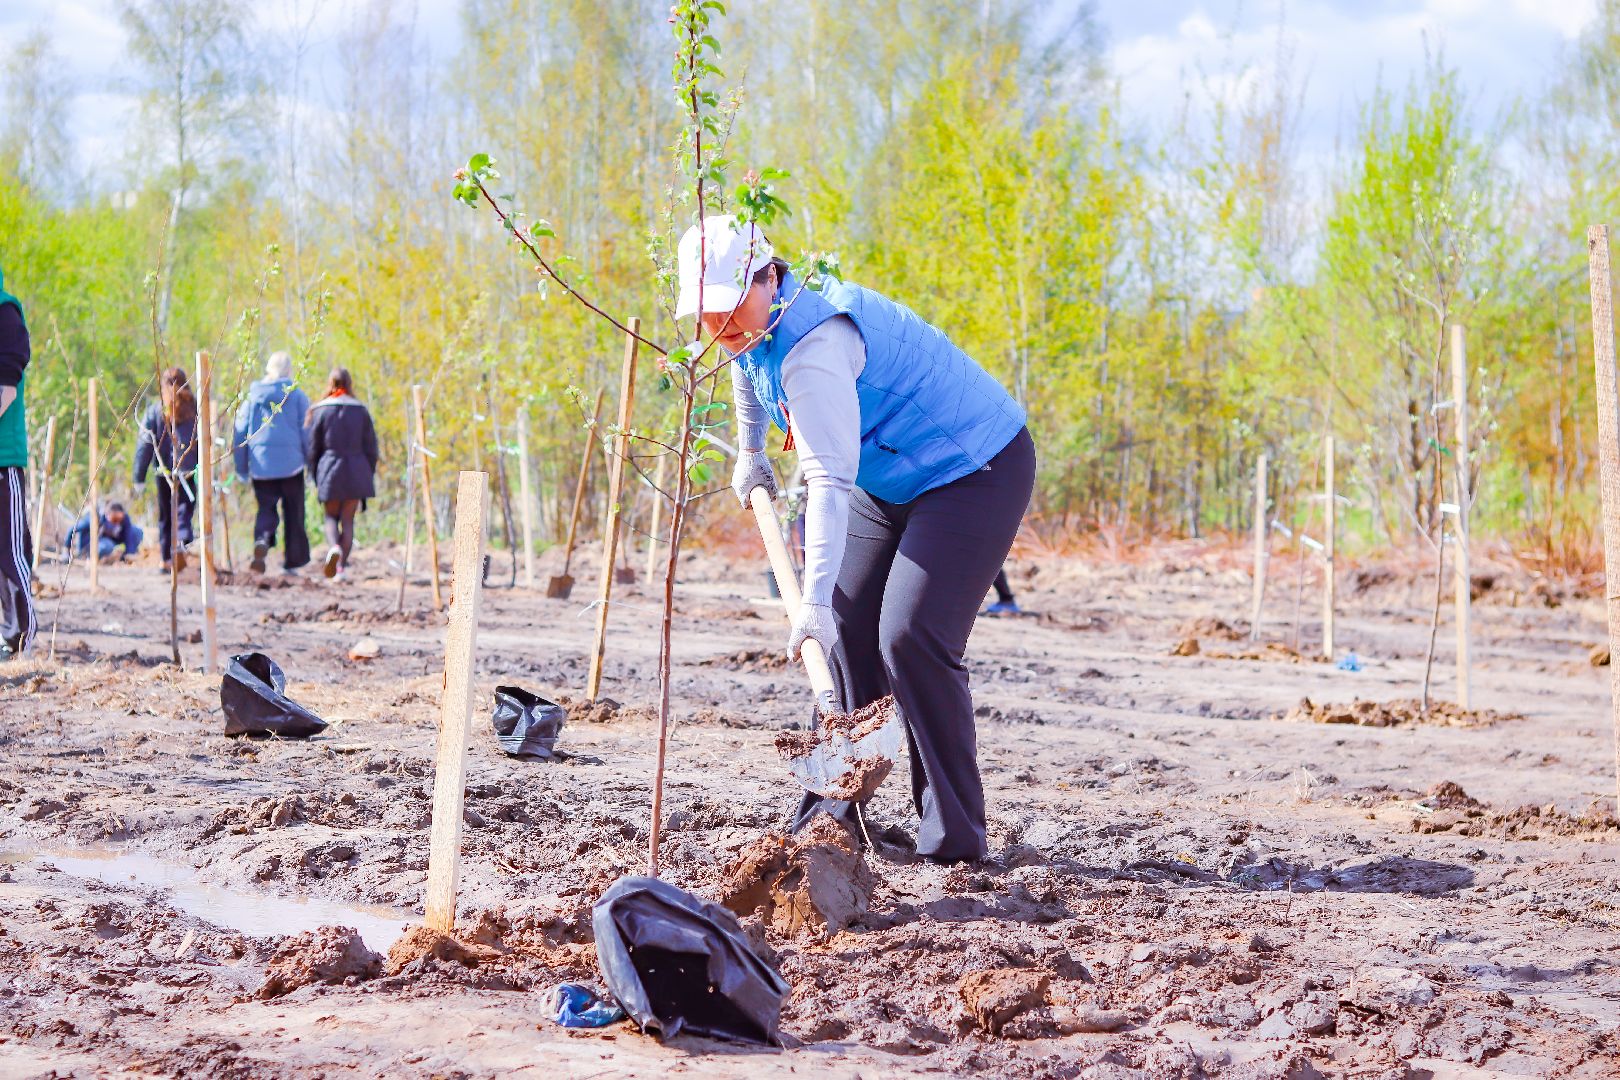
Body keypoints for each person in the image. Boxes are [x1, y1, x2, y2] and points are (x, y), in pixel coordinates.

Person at [683, 215, 1035, 865]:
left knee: (910, 634)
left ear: (769, 279)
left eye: (730, 304)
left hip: (972, 467)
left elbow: (826, 478)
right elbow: (744, 363)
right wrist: (751, 448)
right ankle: (832, 820)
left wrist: (811, 600)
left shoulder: (818, 345)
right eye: (706, 310)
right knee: (848, 625)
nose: (719, 323)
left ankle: (955, 840)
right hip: (890, 474)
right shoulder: (751, 323)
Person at [234, 351, 311, 574]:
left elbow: (239, 432)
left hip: (261, 464)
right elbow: (307, 431)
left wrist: (241, 467)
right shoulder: (297, 395)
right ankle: (293, 562)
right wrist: (310, 462)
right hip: (292, 465)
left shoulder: (253, 396)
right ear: (289, 369)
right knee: (294, 513)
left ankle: (263, 540)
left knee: (266, 509)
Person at [305, 366, 379, 579]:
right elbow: (372, 448)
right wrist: (368, 473)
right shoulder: (361, 410)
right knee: (347, 520)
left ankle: (334, 548)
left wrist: (314, 475)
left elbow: (313, 448)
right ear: (349, 383)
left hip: (329, 469)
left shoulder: (320, 410)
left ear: (331, 383)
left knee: (330, 516)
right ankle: (341, 569)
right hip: (357, 470)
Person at [133, 367, 199, 573]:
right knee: (185, 508)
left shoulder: (156, 410)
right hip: (188, 469)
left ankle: (166, 560)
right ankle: (182, 539)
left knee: (166, 515)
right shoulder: (195, 408)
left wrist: (138, 477)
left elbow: (144, 444)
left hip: (164, 471)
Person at [0, 265, 35, 660]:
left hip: (3, 457)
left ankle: (25, 637)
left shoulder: (6, 314)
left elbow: (5, 389)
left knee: (10, 551)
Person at [69, 502, 143, 562]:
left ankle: (124, 557)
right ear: (107, 515)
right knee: (107, 546)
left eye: (120, 520)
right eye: (114, 519)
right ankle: (91, 558)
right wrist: (66, 548)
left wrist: (129, 553)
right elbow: (72, 529)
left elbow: (129, 535)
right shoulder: (96, 519)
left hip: (116, 540)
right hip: (98, 543)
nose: (117, 523)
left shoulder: (125, 519)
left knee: (137, 532)